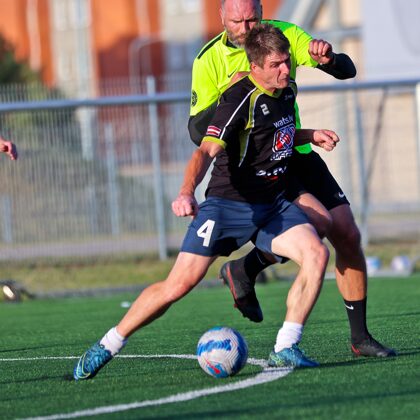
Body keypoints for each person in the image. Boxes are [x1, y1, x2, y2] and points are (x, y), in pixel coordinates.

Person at [73, 23, 340, 380]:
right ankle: (107, 344)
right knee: (177, 286)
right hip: (228, 206)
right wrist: (186, 192)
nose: (285, 70)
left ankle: (285, 347)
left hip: (272, 205)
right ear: (255, 66)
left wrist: (310, 134)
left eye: (287, 61)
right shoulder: (239, 99)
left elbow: (276, 135)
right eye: (276, 64)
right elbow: (205, 152)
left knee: (317, 253)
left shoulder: (287, 88)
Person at [189, 0, 395, 358]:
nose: (246, 27)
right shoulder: (208, 60)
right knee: (317, 229)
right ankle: (248, 274)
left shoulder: (282, 35)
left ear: (261, 11)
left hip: (293, 150)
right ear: (222, 17)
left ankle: (359, 337)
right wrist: (230, 94)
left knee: (347, 233)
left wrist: (328, 59)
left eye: (252, 18)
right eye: (237, 21)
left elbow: (346, 70)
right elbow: (197, 132)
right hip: (256, 165)